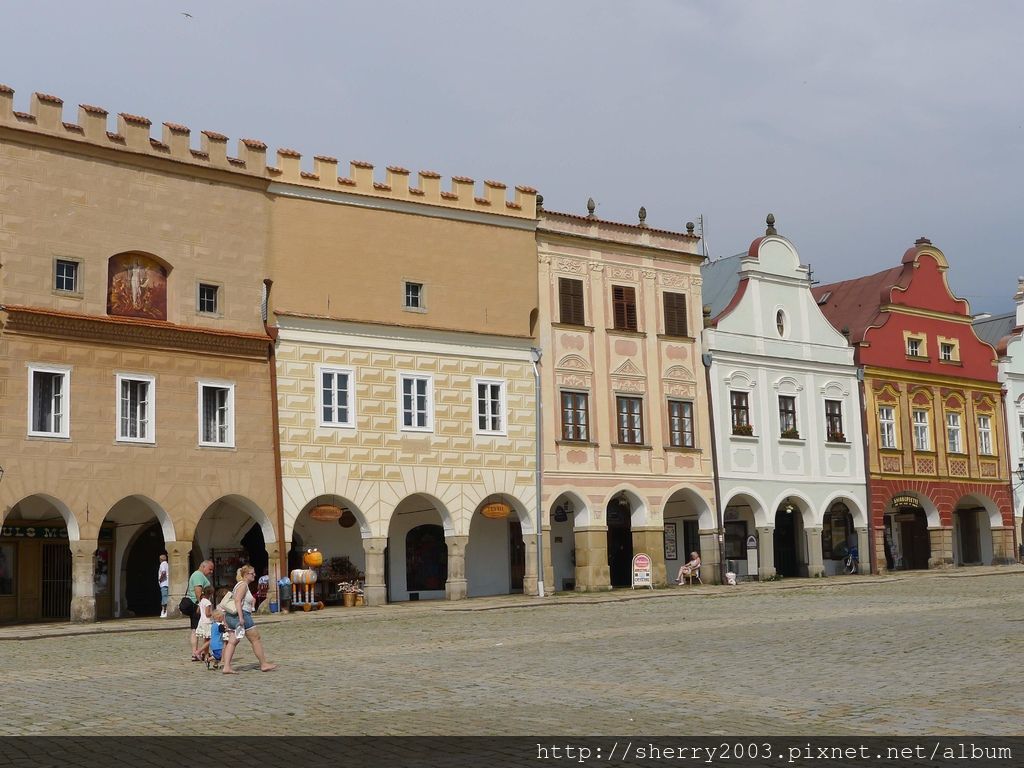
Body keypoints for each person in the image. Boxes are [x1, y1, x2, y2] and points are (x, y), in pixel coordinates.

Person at [221, 564, 277, 674]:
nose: (254, 575)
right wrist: (241, 617)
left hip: (232, 615)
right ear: (246, 575)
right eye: (252, 573)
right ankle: (263, 664)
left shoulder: (239, 585)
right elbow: (237, 600)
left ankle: (226, 666)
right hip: (242, 614)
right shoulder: (243, 586)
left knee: (232, 641)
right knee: (255, 638)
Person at [187, 559, 214, 662]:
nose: (211, 572)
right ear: (203, 566)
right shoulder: (198, 575)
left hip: (198, 606)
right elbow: (198, 592)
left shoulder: (199, 575)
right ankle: (197, 653)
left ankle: (200, 652)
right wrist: (203, 605)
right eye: (210, 569)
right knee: (200, 631)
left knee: (197, 630)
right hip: (197, 606)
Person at [195, 586, 215, 661]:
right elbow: (207, 614)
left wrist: (202, 613)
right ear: (211, 594)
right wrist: (213, 613)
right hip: (207, 622)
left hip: (202, 621)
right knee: (211, 639)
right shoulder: (208, 602)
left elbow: (198, 611)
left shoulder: (202, 601)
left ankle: (206, 655)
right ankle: (199, 651)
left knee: (206, 639)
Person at [157, 553, 170, 618]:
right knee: (165, 597)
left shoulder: (162, 564)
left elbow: (163, 572)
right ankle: (164, 611)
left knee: (164, 598)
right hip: (167, 583)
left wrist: (160, 579)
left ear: (160, 559)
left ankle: (164, 611)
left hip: (164, 583)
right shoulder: (167, 564)